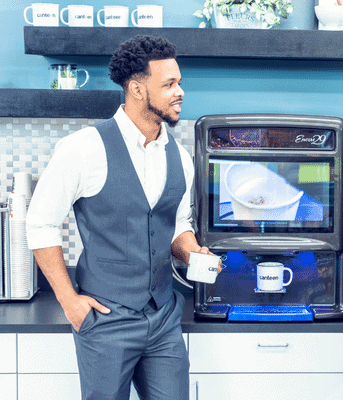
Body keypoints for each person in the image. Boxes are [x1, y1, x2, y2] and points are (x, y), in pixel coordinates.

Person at [26, 35, 217, 400]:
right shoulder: (83, 148)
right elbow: (40, 223)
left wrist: (194, 254)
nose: (180, 92)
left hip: (163, 317)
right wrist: (70, 302)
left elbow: (177, 225)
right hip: (105, 319)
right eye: (169, 84)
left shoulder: (180, 156)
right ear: (137, 89)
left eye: (179, 82)